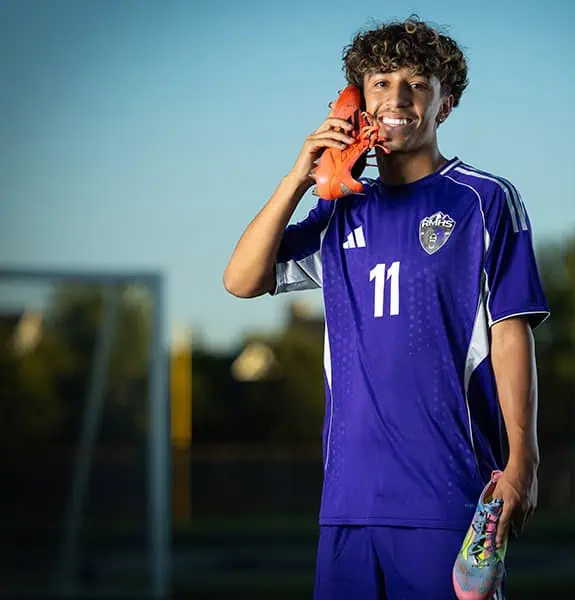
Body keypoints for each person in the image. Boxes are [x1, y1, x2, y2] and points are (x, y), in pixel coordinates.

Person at [223, 15, 549, 600]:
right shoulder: (341, 212)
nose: (398, 97)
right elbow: (241, 279)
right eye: (380, 83)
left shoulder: (484, 200)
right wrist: (303, 173)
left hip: (447, 497)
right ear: (358, 104)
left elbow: (510, 332)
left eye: (417, 84)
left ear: (444, 104)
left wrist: (523, 455)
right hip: (347, 504)